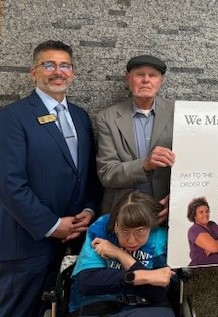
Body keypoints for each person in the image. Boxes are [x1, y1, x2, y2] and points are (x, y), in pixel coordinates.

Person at [0, 40, 100, 317]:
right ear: (34, 72)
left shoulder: (80, 117)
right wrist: (52, 224)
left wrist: (89, 209)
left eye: (64, 65)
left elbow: (88, 174)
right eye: (49, 64)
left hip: (73, 241)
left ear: (73, 73)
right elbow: (9, 184)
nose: (58, 71)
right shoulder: (12, 117)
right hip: (27, 244)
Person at [69, 191, 175, 317]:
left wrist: (120, 254)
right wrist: (142, 276)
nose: (131, 240)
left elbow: (157, 293)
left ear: (150, 227)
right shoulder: (101, 228)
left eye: (140, 231)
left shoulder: (159, 236)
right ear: (115, 227)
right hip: (96, 306)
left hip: (145, 307)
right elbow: (88, 283)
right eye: (124, 231)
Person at [96, 55, 175, 220]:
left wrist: (176, 201)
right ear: (128, 78)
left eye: (152, 75)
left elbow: (190, 169)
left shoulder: (178, 113)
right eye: (139, 74)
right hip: (122, 213)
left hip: (165, 212)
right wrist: (145, 165)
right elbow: (107, 173)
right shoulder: (107, 118)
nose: (146, 80)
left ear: (161, 81)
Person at [187, 197, 218, 266]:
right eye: (201, 212)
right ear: (194, 215)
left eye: (207, 211)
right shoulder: (194, 230)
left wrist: (214, 249)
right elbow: (215, 247)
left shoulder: (212, 224)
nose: (205, 214)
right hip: (200, 270)